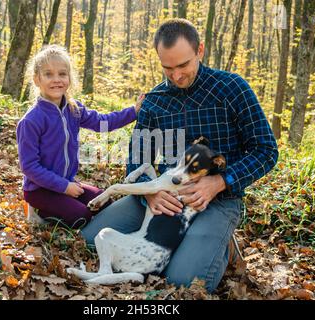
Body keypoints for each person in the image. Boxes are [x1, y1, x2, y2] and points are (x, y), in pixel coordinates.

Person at [81, 19, 278, 293]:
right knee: (89, 240)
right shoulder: (155, 100)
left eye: (183, 65)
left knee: (185, 282)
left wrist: (220, 181)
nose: (176, 76)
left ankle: (215, 244)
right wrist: (148, 194)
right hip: (164, 194)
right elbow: (138, 157)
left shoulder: (233, 88)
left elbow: (266, 150)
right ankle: (186, 243)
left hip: (217, 199)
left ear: (200, 51)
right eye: (167, 67)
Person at [16, 45, 144, 229]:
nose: (57, 80)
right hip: (39, 190)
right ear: (37, 79)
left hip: (66, 183)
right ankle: (39, 212)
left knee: (103, 201)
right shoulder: (32, 120)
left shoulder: (73, 109)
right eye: (48, 74)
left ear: (69, 78)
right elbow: (29, 167)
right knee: (80, 216)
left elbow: (102, 122)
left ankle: (64, 206)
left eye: (62, 74)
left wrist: (133, 112)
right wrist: (65, 187)